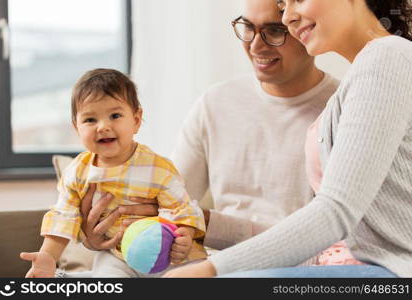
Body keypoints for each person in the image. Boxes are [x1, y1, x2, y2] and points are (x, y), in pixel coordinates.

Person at [79, 0, 339, 266]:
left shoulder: (344, 110)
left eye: (274, 31)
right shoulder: (216, 103)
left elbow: (328, 243)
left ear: (306, 28)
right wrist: (100, 232)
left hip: (293, 271)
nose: (254, 46)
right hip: (214, 265)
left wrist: (209, 223)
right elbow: (165, 198)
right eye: (248, 27)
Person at [163, 0, 412, 278]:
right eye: (284, 5)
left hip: (391, 270)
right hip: (346, 264)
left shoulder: (387, 56)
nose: (290, 17)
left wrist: (213, 269)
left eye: (298, 0)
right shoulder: (363, 74)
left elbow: (335, 211)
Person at [20, 68, 206, 278]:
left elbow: (181, 208)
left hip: (163, 253)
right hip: (116, 255)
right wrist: (48, 256)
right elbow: (63, 217)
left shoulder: (157, 168)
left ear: (136, 120)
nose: (103, 126)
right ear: (76, 127)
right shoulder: (77, 173)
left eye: (115, 116)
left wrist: (185, 235)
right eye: (90, 120)